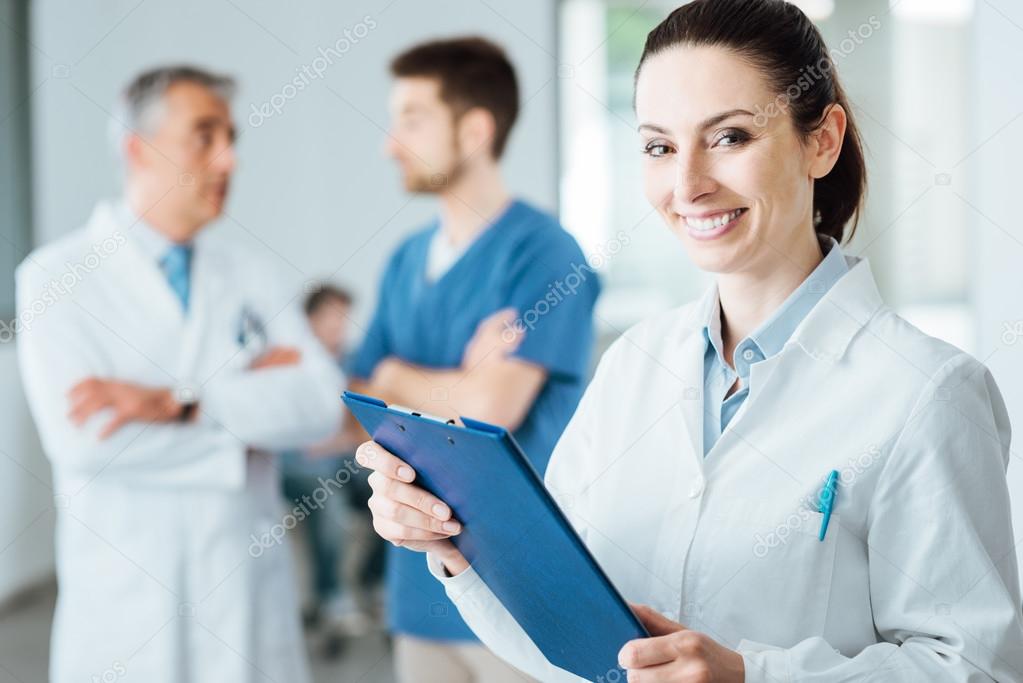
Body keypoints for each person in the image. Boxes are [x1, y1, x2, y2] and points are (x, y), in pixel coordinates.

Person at [356, 2, 1023, 681]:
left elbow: (975, 667)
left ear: (820, 141)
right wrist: (455, 547)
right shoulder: (631, 366)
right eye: (658, 147)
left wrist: (749, 675)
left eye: (729, 137)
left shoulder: (927, 392)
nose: (687, 185)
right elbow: (568, 635)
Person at [16, 66, 342, 683]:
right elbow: (86, 443)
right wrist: (250, 411)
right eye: (205, 135)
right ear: (137, 148)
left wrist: (183, 402)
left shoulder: (254, 273)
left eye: (232, 138)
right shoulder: (55, 278)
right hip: (128, 611)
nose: (230, 159)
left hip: (250, 596)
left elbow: (321, 404)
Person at [347, 37, 600, 683]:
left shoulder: (545, 254)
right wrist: (452, 383)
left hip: (518, 598)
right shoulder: (405, 259)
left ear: (475, 129)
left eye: (411, 118)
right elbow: (354, 398)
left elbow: (492, 408)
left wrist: (397, 378)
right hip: (417, 587)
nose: (388, 142)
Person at [279, 284, 384, 654]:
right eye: (331, 317)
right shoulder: (289, 361)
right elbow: (289, 433)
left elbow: (358, 427)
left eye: (344, 317)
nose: (339, 325)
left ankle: (373, 582)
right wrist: (334, 436)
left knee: (388, 491)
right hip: (293, 465)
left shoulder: (354, 362)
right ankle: (333, 599)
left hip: (343, 456)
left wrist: (338, 438)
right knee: (330, 505)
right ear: (310, 320)